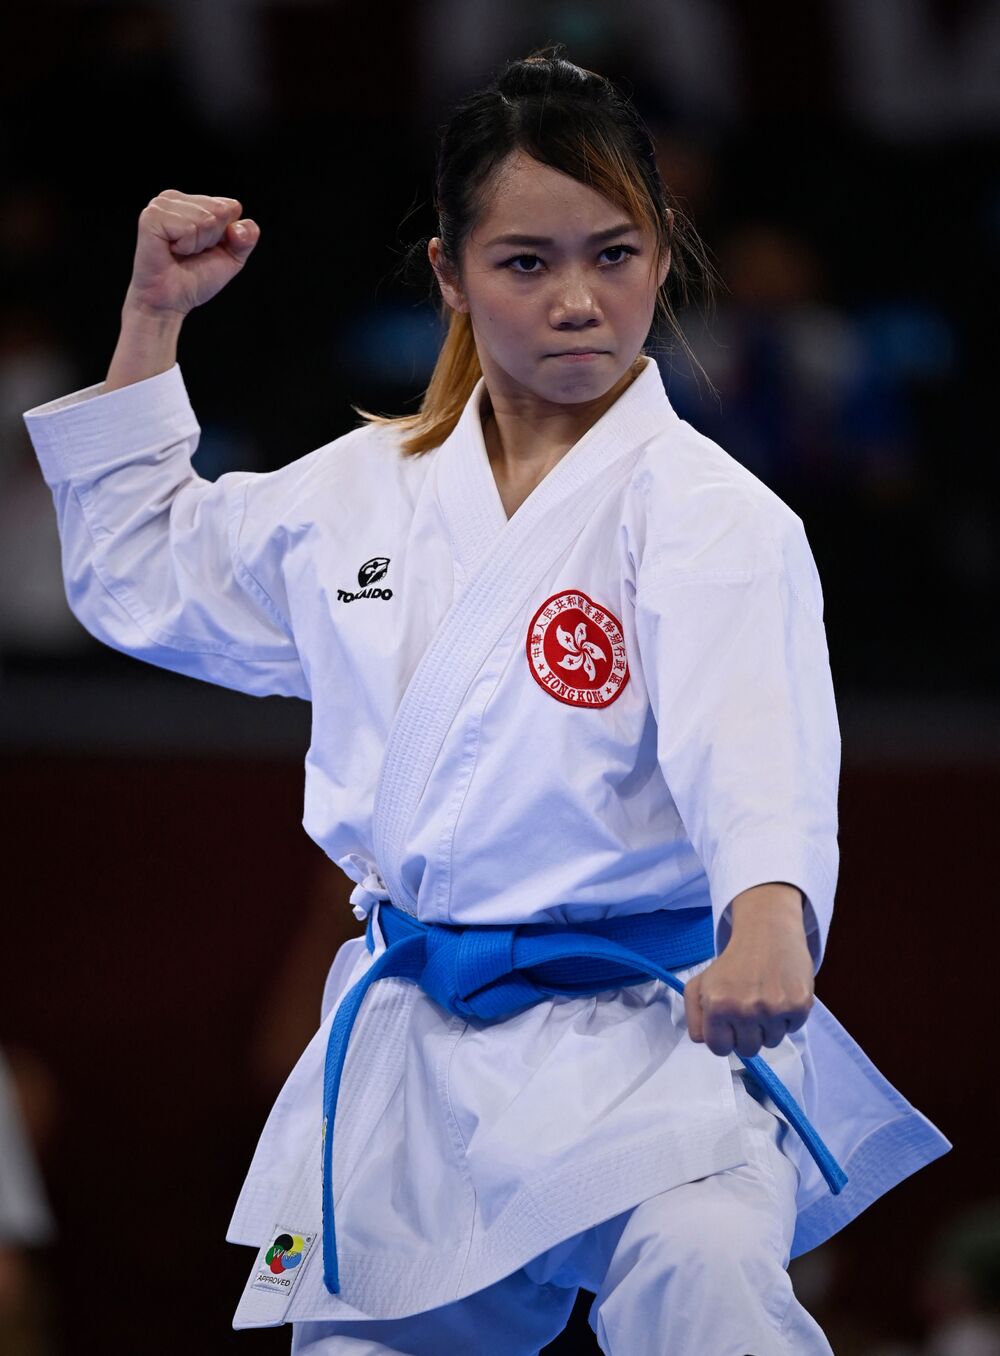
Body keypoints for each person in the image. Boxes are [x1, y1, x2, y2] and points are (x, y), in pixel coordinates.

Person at [23, 49, 950, 1356]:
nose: (578, 300)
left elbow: (754, 741)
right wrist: (153, 314)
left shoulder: (709, 515)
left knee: (707, 1280)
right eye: (525, 261)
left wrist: (768, 915)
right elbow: (139, 572)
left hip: (648, 1032)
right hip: (422, 1049)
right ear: (450, 275)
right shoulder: (363, 492)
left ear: (663, 253)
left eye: (614, 255)